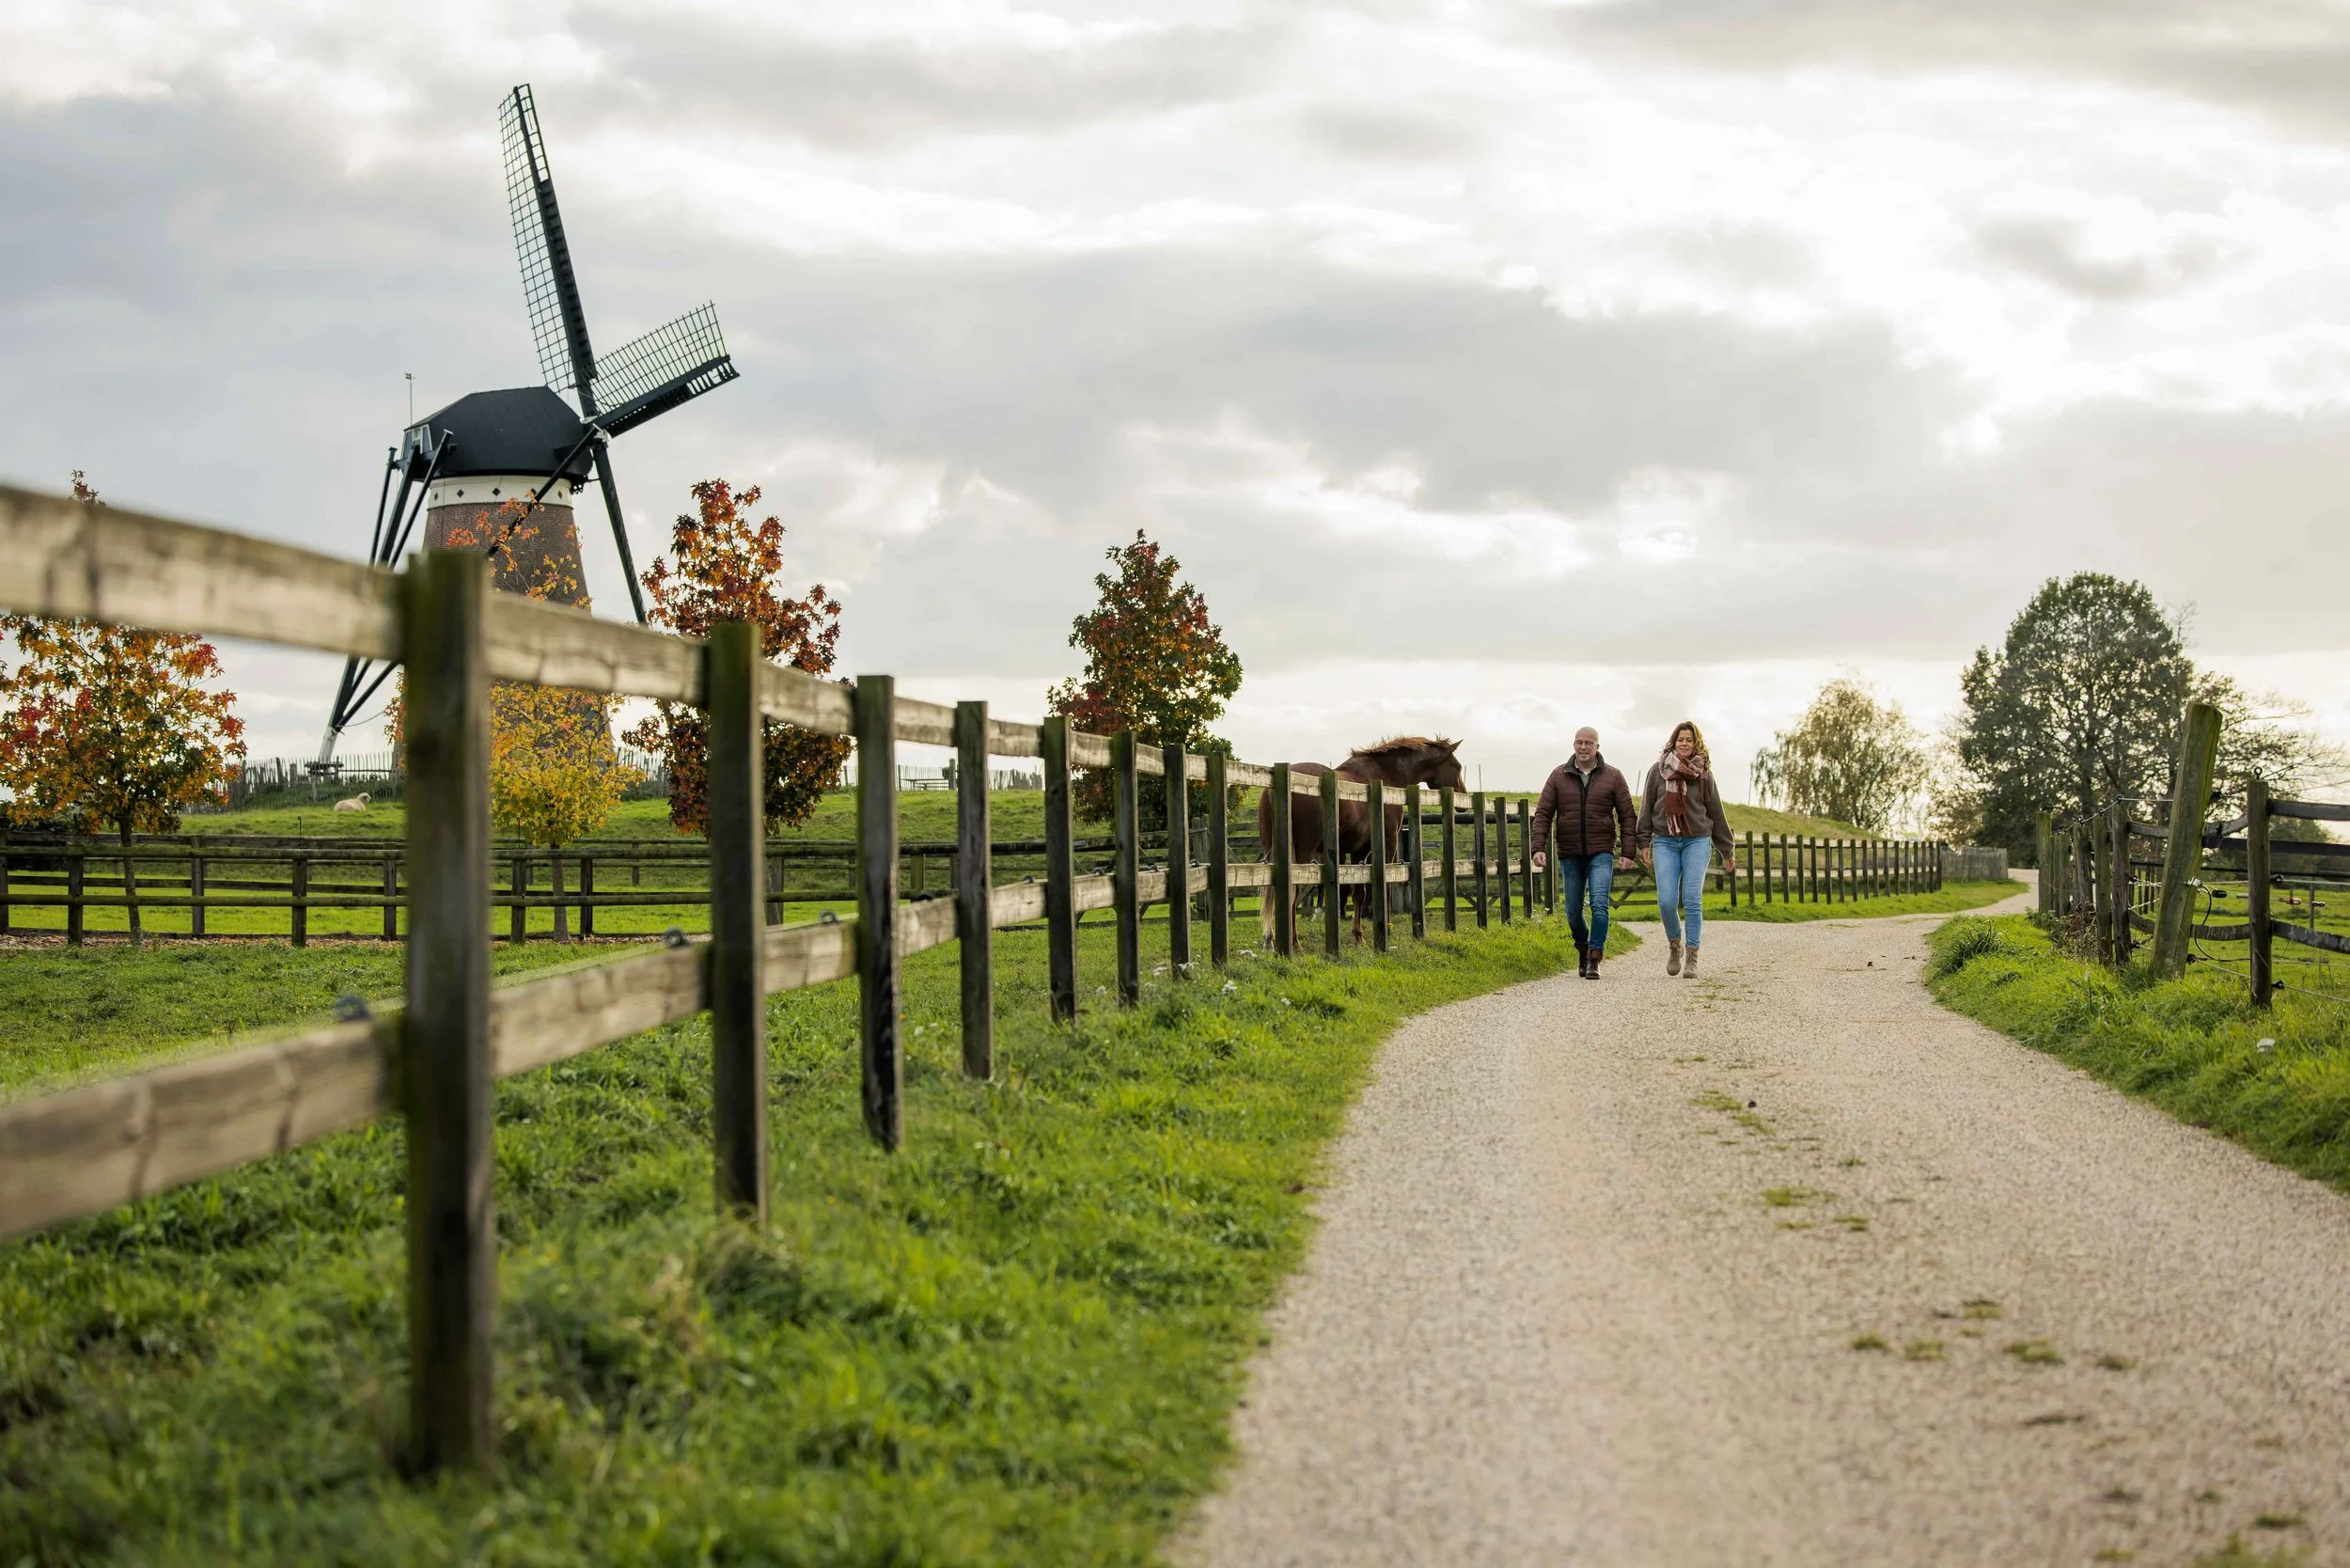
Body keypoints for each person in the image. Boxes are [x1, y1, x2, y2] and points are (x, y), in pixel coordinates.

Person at [1531, 727, 1637, 979]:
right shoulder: (1558, 775)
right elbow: (1544, 813)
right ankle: (1582, 947)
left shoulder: (1613, 776)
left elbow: (1627, 815)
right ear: (1573, 745)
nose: (1583, 747)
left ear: (1598, 747)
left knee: (1600, 904)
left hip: (1601, 851)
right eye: (1579, 742)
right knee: (1572, 911)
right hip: (1570, 852)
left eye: (1589, 743)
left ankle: (1595, 957)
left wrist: (1628, 851)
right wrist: (1538, 847)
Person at [1636, 720, 1736, 978]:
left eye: (1689, 740)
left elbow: (1716, 812)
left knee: (1692, 900)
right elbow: (1647, 807)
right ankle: (1674, 945)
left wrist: (1727, 849)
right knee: (1667, 901)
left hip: (1697, 840)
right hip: (1665, 841)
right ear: (1674, 741)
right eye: (1680, 739)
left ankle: (1692, 956)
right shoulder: (1657, 771)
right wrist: (1643, 841)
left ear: (1696, 744)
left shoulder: (1704, 775)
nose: (1684, 743)